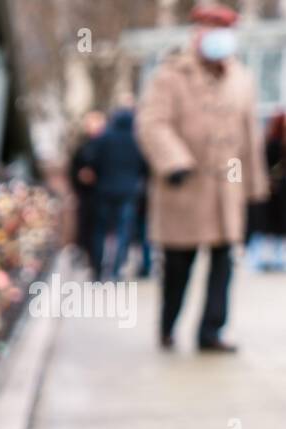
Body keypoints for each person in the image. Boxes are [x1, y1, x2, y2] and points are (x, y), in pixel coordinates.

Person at [135, 2, 269, 353]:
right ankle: (168, 325)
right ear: (197, 33)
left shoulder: (243, 78)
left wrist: (255, 192)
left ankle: (212, 331)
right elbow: (152, 123)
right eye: (211, 30)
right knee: (179, 264)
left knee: (223, 264)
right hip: (185, 187)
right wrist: (174, 161)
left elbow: (250, 139)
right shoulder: (170, 75)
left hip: (227, 191)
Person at [86, 105, 148, 280]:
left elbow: (91, 160)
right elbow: (145, 167)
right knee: (123, 231)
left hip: (103, 191)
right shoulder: (137, 141)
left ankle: (98, 269)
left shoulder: (104, 138)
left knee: (100, 230)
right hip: (128, 193)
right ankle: (116, 269)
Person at [246, 112, 286, 271]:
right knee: (270, 226)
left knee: (280, 226)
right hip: (271, 192)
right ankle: (265, 257)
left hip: (281, 193)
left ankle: (276, 257)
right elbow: (263, 165)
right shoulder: (271, 144)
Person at [70, 111, 106, 268]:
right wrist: (80, 177)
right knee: (85, 227)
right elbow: (73, 168)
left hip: (101, 194)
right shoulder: (83, 146)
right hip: (86, 194)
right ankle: (86, 256)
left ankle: (96, 262)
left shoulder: (106, 145)